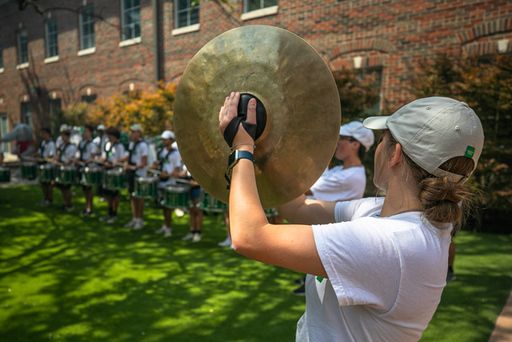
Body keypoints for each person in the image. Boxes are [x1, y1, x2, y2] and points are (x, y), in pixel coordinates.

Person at [218, 92, 484, 341]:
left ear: (395, 154)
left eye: (383, 139)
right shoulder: (388, 215)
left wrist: (242, 148)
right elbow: (298, 209)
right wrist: (264, 145)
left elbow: (249, 238)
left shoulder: (392, 243)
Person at [292, 121, 375, 295]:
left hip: (332, 234)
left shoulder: (349, 176)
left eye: (341, 138)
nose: (336, 142)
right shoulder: (340, 170)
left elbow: (304, 187)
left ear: (355, 144)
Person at [151, 130, 181, 237]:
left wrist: (167, 175)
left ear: (171, 140)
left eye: (165, 139)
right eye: (162, 139)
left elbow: (176, 170)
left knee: (168, 207)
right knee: (163, 206)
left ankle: (168, 227)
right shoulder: (161, 151)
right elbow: (157, 164)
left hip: (170, 183)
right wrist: (149, 168)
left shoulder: (175, 153)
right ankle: (165, 225)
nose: (163, 141)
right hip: (162, 182)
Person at [119, 124, 148, 230]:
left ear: (139, 132)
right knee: (132, 196)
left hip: (139, 174)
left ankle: (140, 220)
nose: (131, 134)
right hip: (131, 173)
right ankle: (135, 218)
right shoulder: (132, 144)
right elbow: (128, 155)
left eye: (133, 132)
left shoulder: (143, 145)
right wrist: (120, 161)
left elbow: (144, 162)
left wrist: (134, 167)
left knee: (139, 197)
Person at [97, 127, 125, 223]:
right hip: (107, 172)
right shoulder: (107, 144)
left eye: (110, 135)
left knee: (114, 194)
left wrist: (113, 164)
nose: (109, 137)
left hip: (115, 172)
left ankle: (114, 213)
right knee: (108, 194)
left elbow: (121, 160)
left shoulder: (119, 146)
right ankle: (109, 213)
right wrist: (100, 160)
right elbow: (104, 156)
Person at [77, 125, 99, 216]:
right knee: (84, 188)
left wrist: (86, 161)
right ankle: (86, 207)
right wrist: (78, 160)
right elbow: (80, 154)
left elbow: (92, 157)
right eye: (84, 131)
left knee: (88, 188)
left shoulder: (92, 144)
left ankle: (90, 208)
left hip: (89, 168)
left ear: (91, 132)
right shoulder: (82, 143)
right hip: (82, 167)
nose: (85, 133)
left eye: (86, 131)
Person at [53, 129, 77, 211]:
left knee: (67, 188)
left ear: (67, 136)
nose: (62, 138)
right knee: (62, 188)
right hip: (62, 168)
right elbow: (59, 155)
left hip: (68, 169)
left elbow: (70, 160)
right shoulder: (62, 146)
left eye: (63, 136)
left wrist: (63, 164)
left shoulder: (72, 147)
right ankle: (65, 203)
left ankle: (69, 204)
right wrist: (55, 159)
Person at [33, 127, 56, 206]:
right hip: (42, 164)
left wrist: (42, 159)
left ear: (47, 134)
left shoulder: (51, 144)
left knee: (48, 183)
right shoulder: (43, 143)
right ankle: (45, 198)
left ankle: (49, 199)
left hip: (48, 165)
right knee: (43, 182)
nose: (42, 135)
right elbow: (39, 152)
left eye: (43, 133)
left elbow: (51, 156)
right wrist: (32, 156)